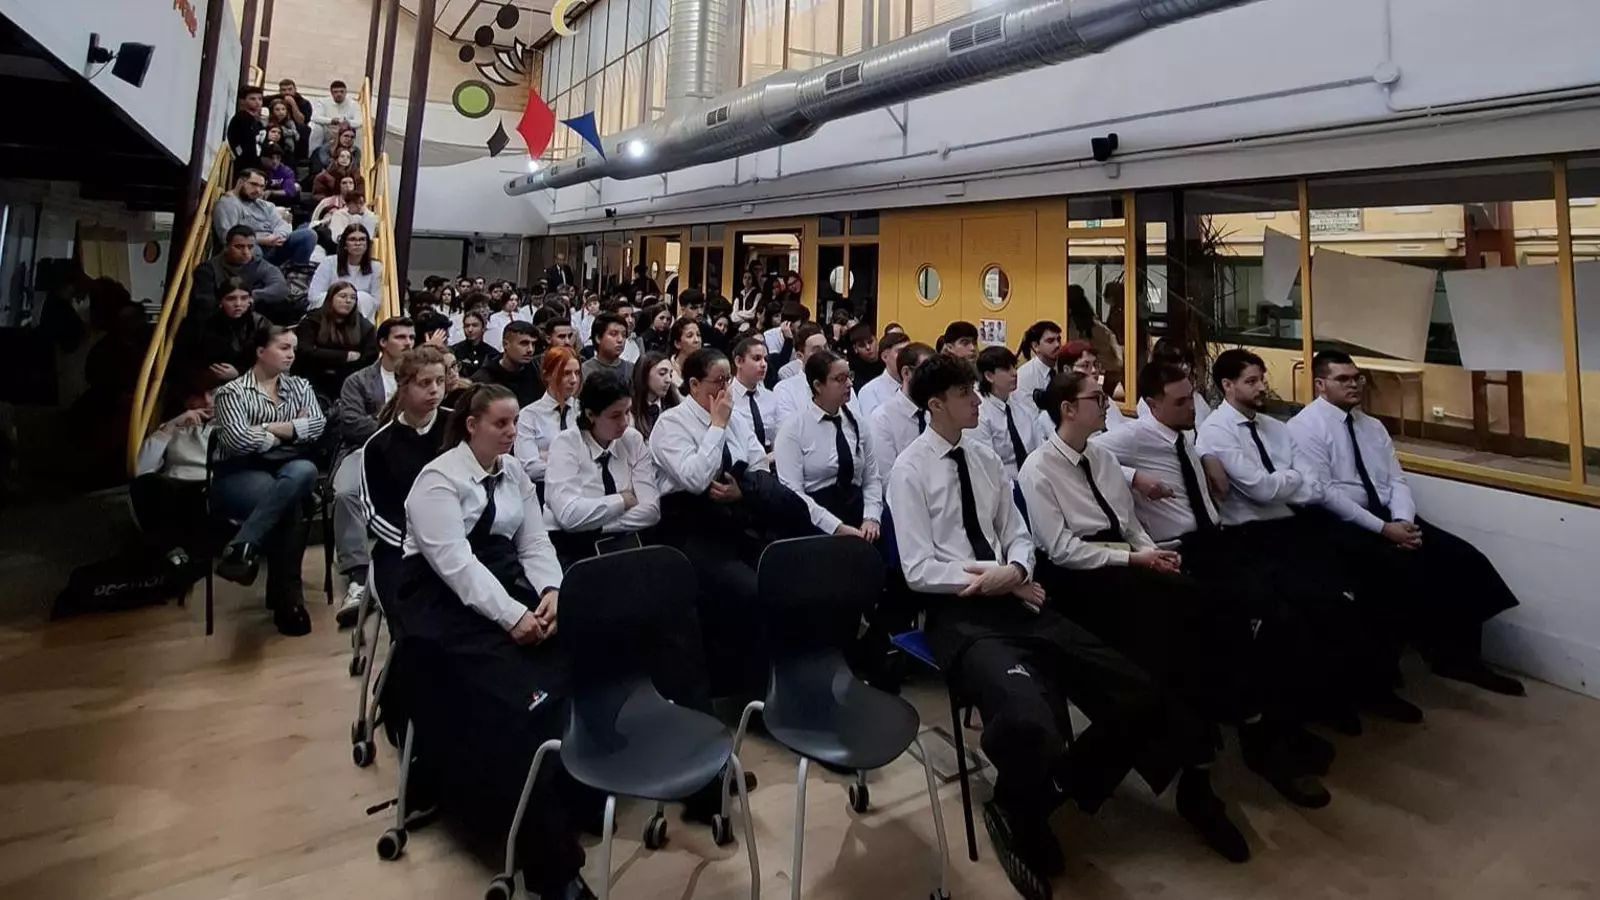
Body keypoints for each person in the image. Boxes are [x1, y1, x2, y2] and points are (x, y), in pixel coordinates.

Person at [888, 353, 1243, 890]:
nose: (977, 400)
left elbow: (1017, 533)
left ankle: (1053, 790)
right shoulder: (910, 469)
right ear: (936, 405)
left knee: (1137, 691)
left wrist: (1016, 569)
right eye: (964, 394)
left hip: (1019, 597)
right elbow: (917, 568)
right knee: (1030, 716)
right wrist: (997, 577)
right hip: (958, 611)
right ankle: (1021, 811)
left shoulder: (983, 458)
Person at [395, 382, 591, 900]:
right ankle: (552, 868)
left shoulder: (514, 473)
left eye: (515, 423)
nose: (511, 432)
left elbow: (534, 541)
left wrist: (552, 591)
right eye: (501, 424)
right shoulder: (437, 481)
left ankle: (574, 794)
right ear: (472, 425)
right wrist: (511, 617)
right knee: (517, 702)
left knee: (577, 662)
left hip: (504, 583)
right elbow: (456, 566)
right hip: (442, 603)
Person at [1197, 349, 1419, 726]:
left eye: (1262, 379)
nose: (1262, 387)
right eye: (1251, 381)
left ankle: (1364, 687)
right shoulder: (1216, 431)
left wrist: (1283, 482)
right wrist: (1291, 479)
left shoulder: (1275, 427)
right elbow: (1261, 489)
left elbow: (1311, 487)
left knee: (1356, 590)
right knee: (1307, 607)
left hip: (1293, 524)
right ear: (1227, 385)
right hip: (1250, 535)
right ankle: (1320, 702)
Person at [1288, 350, 1524, 696]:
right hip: (1342, 522)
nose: (1354, 385)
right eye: (1343, 379)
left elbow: (1396, 480)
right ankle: (1382, 678)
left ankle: (1460, 658)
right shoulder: (1304, 428)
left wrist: (1403, 521)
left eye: (1357, 378)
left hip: (1390, 516)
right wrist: (1385, 530)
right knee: (1400, 573)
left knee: (1465, 559)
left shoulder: (1372, 427)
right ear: (1320, 385)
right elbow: (1324, 494)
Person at [649, 348, 808, 696]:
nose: (725, 390)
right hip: (692, 529)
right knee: (751, 593)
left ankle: (792, 683)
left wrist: (742, 491)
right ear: (694, 384)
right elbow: (695, 478)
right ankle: (756, 693)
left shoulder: (735, 418)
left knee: (789, 575)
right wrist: (717, 425)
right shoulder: (672, 424)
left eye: (727, 381)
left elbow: (759, 463)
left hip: (738, 517)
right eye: (718, 382)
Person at [211, 325, 325, 636]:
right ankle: (288, 602)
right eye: (284, 348)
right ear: (261, 352)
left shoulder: (300, 385)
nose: (292, 354)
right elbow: (237, 440)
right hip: (239, 472)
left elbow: (317, 425)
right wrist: (287, 430)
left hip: (289, 468)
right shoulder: (231, 392)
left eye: (294, 348)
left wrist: (263, 428)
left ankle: (243, 546)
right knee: (290, 504)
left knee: (304, 471)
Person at [331, 316, 415, 624]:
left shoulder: (421, 378)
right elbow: (352, 424)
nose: (408, 343)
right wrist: (395, 426)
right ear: (382, 342)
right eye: (401, 337)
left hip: (411, 449)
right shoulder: (358, 381)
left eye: (412, 337)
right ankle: (358, 577)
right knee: (346, 493)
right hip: (363, 450)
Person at [359, 346, 451, 608]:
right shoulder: (379, 445)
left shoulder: (457, 428)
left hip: (461, 536)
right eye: (425, 383)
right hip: (404, 546)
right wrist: (416, 541)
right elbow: (375, 513)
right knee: (413, 605)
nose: (435, 390)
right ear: (403, 386)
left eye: (440, 381)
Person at [544, 371, 661, 563]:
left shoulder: (632, 439)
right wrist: (622, 500)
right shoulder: (566, 444)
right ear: (591, 415)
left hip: (625, 540)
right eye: (615, 416)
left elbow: (651, 511)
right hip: (573, 548)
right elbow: (569, 515)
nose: (625, 422)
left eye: (627, 412)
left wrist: (597, 524)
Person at [773, 348, 882, 540]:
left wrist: (871, 517)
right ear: (818, 385)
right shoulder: (793, 429)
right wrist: (836, 527)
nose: (849, 384)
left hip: (858, 514)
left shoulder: (858, 424)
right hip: (815, 520)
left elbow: (872, 478)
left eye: (849, 376)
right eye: (840, 379)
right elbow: (794, 492)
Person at [132, 383, 215, 568]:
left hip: (209, 485)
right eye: (198, 395)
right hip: (175, 485)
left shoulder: (230, 426)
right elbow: (140, 469)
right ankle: (170, 552)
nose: (207, 401)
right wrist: (171, 425)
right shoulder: (174, 426)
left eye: (212, 393)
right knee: (148, 485)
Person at [174, 277, 270, 389]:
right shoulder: (202, 324)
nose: (238, 304)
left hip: (250, 384)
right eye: (231, 299)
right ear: (220, 301)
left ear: (250, 301)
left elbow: (271, 363)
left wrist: (239, 373)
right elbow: (183, 362)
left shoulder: (261, 324)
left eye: (244, 298)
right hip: (205, 383)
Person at [213, 170, 317, 270]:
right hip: (253, 248)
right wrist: (262, 240)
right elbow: (227, 237)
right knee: (253, 249)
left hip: (275, 244)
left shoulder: (265, 205)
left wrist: (278, 236)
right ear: (240, 182)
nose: (258, 190)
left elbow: (282, 224)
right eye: (253, 184)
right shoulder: (228, 204)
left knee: (308, 235)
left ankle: (295, 274)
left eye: (261, 186)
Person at [292, 281, 376, 402]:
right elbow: (306, 351)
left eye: (353, 298)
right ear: (331, 298)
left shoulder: (363, 325)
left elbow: (369, 356)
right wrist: (344, 356)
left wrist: (324, 354)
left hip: (347, 381)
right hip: (312, 379)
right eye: (343, 296)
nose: (348, 301)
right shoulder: (312, 321)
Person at [513, 347, 581, 492]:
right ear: (547, 375)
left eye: (577, 373)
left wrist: (548, 456)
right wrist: (576, 466)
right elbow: (529, 467)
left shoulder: (583, 411)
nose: (574, 380)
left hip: (584, 490)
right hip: (543, 492)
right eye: (566, 373)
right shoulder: (529, 415)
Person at [867, 341, 937, 481]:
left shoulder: (936, 411)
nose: (932, 380)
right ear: (906, 373)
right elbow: (886, 478)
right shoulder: (882, 418)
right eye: (925, 372)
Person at [189, 226, 290, 321]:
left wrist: (250, 297)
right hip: (217, 320)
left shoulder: (261, 265)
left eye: (250, 247)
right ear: (226, 247)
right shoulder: (208, 269)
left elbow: (280, 288)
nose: (245, 252)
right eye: (239, 247)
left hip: (252, 318)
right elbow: (205, 302)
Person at [974, 346, 1042, 482]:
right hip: (1002, 484)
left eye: (1014, 367)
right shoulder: (980, 412)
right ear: (989, 376)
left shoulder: (1020, 402)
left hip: (1033, 478)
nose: (1014, 373)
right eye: (1006, 369)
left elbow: (1039, 446)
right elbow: (987, 466)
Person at [307, 225, 382, 321]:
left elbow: (376, 301)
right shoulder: (329, 262)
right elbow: (314, 296)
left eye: (362, 239)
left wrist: (354, 300)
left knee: (363, 297)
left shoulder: (376, 267)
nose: (358, 243)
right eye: (352, 239)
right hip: (329, 314)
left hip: (360, 316)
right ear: (345, 245)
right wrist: (341, 299)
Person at [471, 321, 544, 407]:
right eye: (524, 343)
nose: (530, 350)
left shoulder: (538, 372)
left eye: (533, 344)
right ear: (505, 344)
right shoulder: (483, 380)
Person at [1067, 284, 1123, 393]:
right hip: (1111, 369)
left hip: (1101, 370)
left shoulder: (1073, 326)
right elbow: (1113, 340)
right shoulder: (1097, 324)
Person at [728, 337, 778, 455]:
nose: (763, 364)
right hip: (740, 460)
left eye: (765, 359)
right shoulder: (726, 397)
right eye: (757, 359)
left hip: (771, 458)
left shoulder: (771, 397)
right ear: (739, 361)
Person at [1013, 320, 1062, 425]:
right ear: (1036, 346)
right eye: (1050, 341)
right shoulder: (1025, 376)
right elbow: (1029, 418)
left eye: (1058, 339)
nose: (1057, 345)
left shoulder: (1063, 368)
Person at [856, 331, 909, 419]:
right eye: (900, 351)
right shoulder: (870, 391)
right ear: (885, 357)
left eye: (909, 352)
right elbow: (872, 425)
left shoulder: (917, 385)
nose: (907, 356)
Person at [630, 351, 679, 440]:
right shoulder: (628, 409)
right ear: (644, 374)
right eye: (662, 373)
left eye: (670, 374)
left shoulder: (675, 405)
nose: (668, 380)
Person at [580, 312, 633, 384]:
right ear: (598, 338)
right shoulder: (584, 371)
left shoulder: (631, 369)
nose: (620, 340)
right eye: (613, 334)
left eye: (623, 335)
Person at [226, 85, 265, 176]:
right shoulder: (240, 118)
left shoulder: (258, 123)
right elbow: (235, 140)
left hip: (255, 165)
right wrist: (240, 155)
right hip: (243, 165)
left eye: (260, 99)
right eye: (252, 99)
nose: (257, 102)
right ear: (243, 101)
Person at [312, 81, 362, 150]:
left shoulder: (354, 104)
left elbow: (359, 122)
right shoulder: (323, 101)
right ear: (331, 93)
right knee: (318, 128)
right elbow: (315, 117)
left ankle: (357, 153)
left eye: (342, 92)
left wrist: (346, 122)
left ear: (346, 92)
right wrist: (331, 121)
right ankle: (314, 153)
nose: (339, 94)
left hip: (346, 133)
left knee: (360, 130)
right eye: (335, 92)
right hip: (329, 132)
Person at [451, 309, 497, 374]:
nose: (470, 330)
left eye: (475, 325)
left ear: (483, 328)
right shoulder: (454, 351)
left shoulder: (492, 354)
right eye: (467, 326)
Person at [667, 316, 702, 386]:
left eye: (698, 335)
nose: (697, 340)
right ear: (677, 343)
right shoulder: (668, 371)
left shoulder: (705, 368)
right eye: (690, 336)